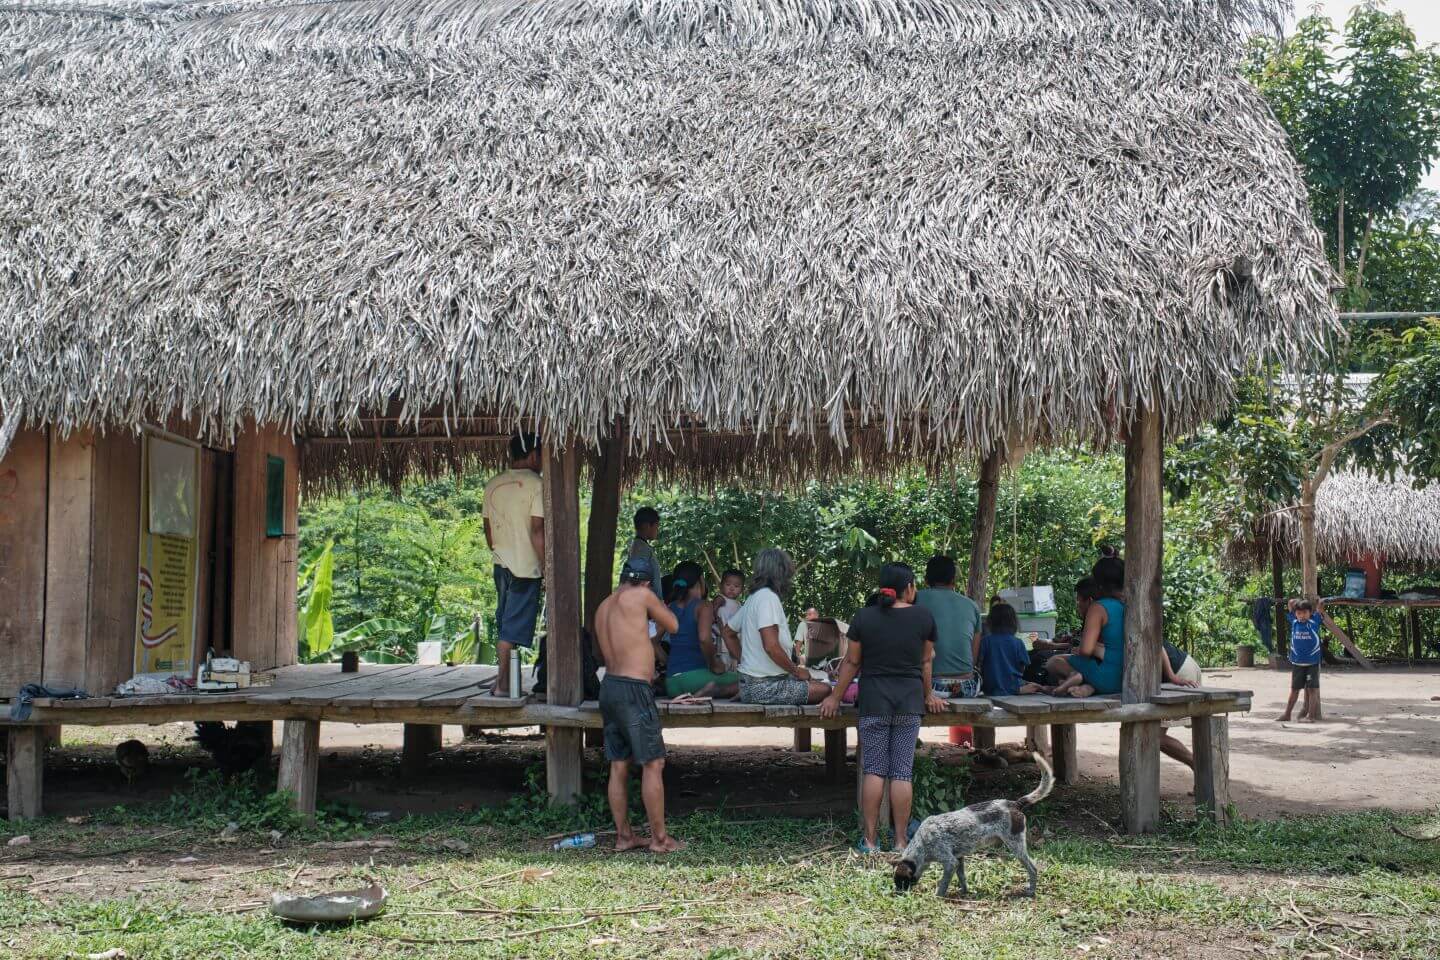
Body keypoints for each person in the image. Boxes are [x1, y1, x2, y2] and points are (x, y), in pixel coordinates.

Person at [820, 562, 946, 853]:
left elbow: (852, 663)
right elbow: (926, 662)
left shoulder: (864, 617)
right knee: (902, 771)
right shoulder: (924, 617)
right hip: (909, 702)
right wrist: (929, 695)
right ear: (910, 587)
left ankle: (870, 841)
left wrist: (835, 697)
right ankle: (902, 841)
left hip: (874, 702)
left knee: (874, 769)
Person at [594, 557, 682, 853]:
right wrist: (657, 603)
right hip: (634, 691)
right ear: (646, 582)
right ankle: (659, 840)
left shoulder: (604, 605)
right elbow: (673, 624)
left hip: (610, 687)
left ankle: (624, 836)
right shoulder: (643, 595)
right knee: (653, 763)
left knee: (619, 764)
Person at [721, 548, 831, 705]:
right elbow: (771, 646)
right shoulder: (768, 598)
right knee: (825, 690)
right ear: (780, 573)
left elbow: (727, 632)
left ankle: (743, 692)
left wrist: (746, 662)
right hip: (764, 687)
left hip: (752, 684)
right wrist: (796, 671)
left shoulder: (755, 597)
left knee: (818, 683)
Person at [481, 432, 544, 697]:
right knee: (512, 629)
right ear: (532, 455)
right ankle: (504, 685)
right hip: (525, 567)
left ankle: (505, 679)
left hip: (501, 563)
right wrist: (547, 568)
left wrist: (502, 552)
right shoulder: (537, 484)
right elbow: (537, 532)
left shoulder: (493, 484)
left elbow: (488, 532)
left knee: (506, 623)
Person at [1047, 557, 1126, 697]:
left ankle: (1080, 678)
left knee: (1053, 662)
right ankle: (1088, 686)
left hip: (1107, 679)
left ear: (1099, 582)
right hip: (1127, 678)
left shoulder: (1098, 607)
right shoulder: (1130, 604)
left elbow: (1085, 650)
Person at [664, 561, 740, 698]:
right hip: (695, 680)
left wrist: (669, 662)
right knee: (746, 682)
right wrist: (714, 665)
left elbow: (653, 641)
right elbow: (704, 638)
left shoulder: (670, 608)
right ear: (700, 580)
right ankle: (713, 690)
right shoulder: (703, 606)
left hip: (671, 683)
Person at [914, 556, 983, 698]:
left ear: (926, 580)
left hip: (928, 686)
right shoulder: (972, 605)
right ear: (953, 580)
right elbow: (973, 656)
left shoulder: (915, 599)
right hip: (967, 686)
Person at [1159, 639, 1202, 767]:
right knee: (1154, 736)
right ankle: (1202, 773)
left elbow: (1157, 643)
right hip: (1185, 663)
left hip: (1179, 672)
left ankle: (1198, 766)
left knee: (1154, 737)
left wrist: (1172, 677)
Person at [1278, 599, 1323, 723]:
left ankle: (1311, 716)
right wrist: (1295, 603)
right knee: (1294, 690)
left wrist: (1319, 602)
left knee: (1312, 690)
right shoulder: (1294, 622)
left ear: (1310, 613)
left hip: (1312, 664)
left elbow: (1320, 609)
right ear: (1295, 614)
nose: (1301, 616)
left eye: (1305, 613)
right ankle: (1287, 714)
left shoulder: (1315, 621)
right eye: (1299, 613)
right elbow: (1290, 603)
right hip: (1297, 664)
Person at [978, 603, 1030, 697]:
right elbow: (1023, 667)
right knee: (1034, 685)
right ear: (1013, 622)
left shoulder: (985, 641)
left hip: (989, 687)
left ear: (991, 621)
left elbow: (979, 663)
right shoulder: (1018, 642)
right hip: (1014, 686)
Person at [710, 568, 745, 670]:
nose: (732, 588)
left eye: (736, 586)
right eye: (728, 584)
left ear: (742, 589)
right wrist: (716, 619)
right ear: (721, 585)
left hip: (734, 645)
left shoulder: (739, 605)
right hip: (721, 645)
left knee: (733, 672)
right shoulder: (721, 599)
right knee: (723, 670)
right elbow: (712, 612)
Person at [630, 507, 664, 603]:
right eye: (656, 526)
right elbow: (640, 580)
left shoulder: (640, 546)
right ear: (647, 526)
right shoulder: (641, 549)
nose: (657, 530)